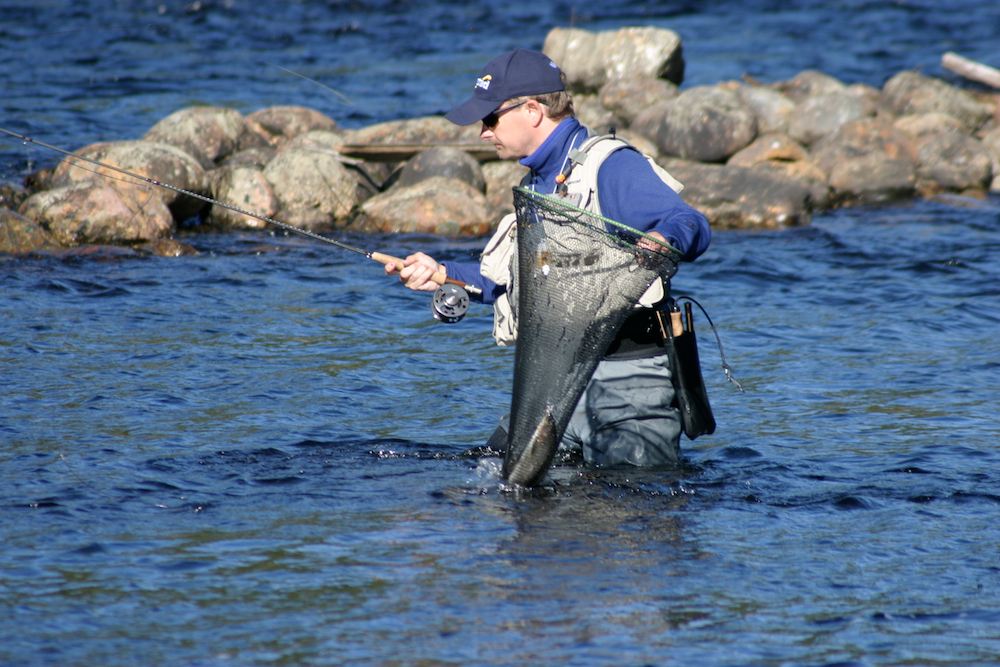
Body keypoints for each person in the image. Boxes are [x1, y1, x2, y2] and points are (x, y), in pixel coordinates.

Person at [386, 48, 711, 468]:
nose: (483, 133)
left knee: (633, 501)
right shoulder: (535, 183)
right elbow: (516, 282)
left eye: (490, 119)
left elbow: (690, 222)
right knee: (490, 482)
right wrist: (442, 273)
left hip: (627, 384)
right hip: (553, 386)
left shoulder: (610, 166)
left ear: (533, 110)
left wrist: (663, 238)